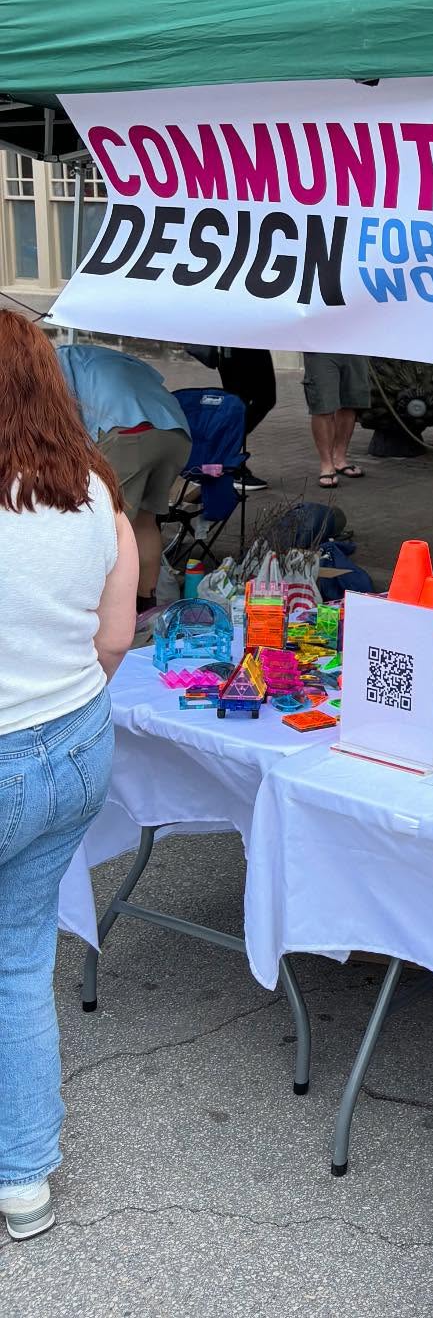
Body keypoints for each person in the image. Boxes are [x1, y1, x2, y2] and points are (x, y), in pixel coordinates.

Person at [0, 312, 139, 1242]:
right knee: (19, 964)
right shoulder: (94, 490)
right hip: (74, 745)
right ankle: (24, 1179)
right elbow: (117, 636)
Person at [56, 341, 190, 617]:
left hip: (129, 431)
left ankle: (105, 614)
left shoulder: (53, 363)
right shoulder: (100, 356)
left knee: (106, 526)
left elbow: (61, 419)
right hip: (175, 431)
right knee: (145, 521)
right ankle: (146, 611)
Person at [302, 352, 370, 488]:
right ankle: (327, 464)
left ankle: (340, 459)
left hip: (354, 345)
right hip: (320, 347)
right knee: (323, 405)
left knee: (350, 403)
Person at [216, 348, 274, 490]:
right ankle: (229, 464)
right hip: (237, 345)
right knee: (240, 403)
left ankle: (223, 455)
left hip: (252, 344)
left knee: (263, 399)